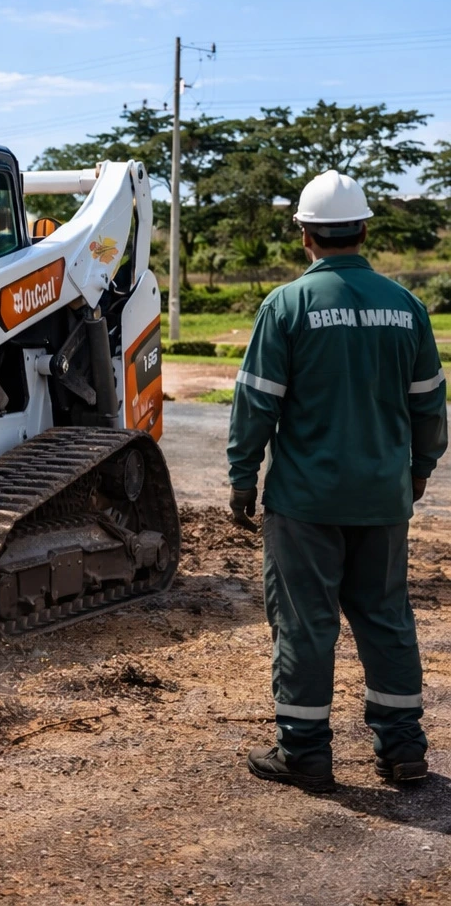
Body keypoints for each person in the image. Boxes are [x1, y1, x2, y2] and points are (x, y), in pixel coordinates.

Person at [228, 169, 447, 792]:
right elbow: (431, 408)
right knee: (386, 618)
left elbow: (257, 404)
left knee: (304, 623)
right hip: (382, 498)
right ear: (365, 230)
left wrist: (243, 478)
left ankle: (304, 752)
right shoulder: (407, 308)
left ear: (305, 235)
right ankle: (403, 750)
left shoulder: (287, 306)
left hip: (305, 502)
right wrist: (419, 471)